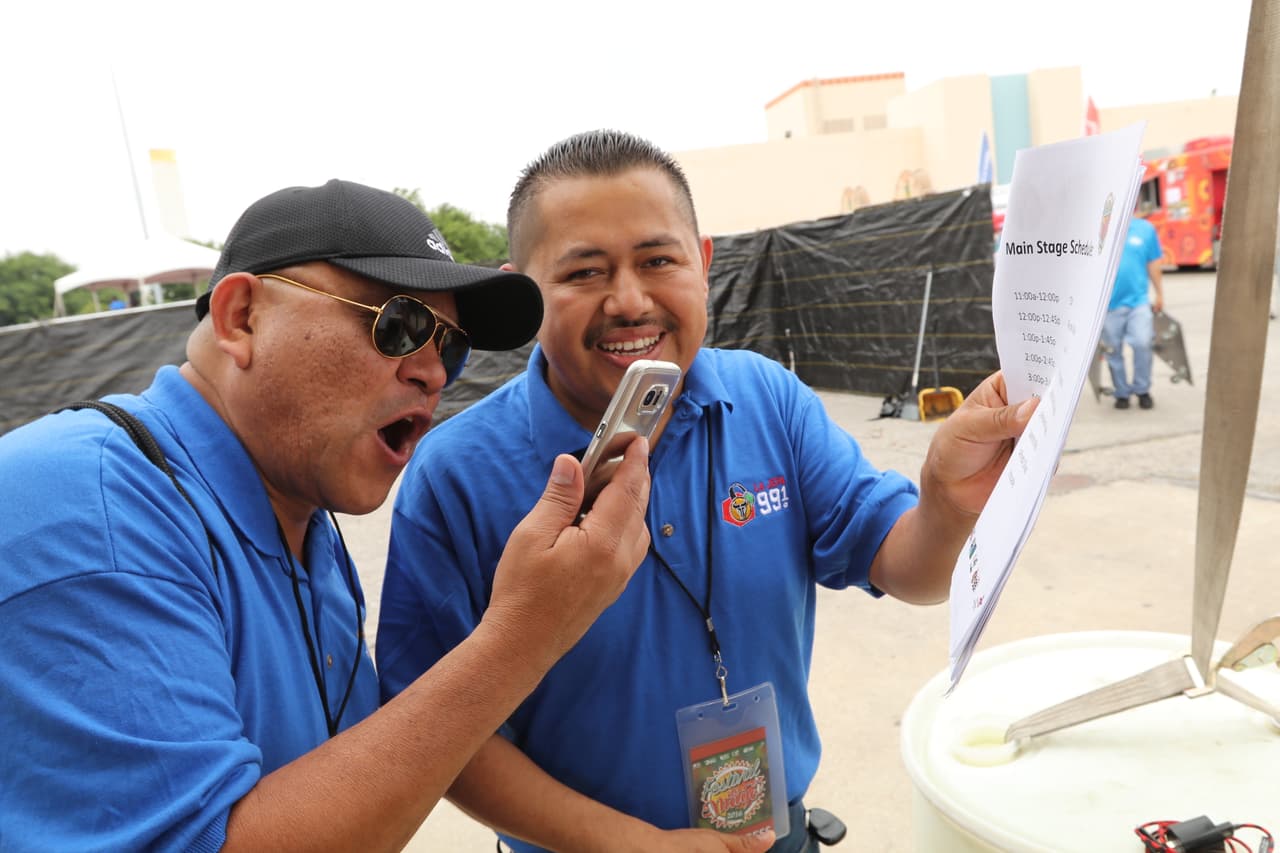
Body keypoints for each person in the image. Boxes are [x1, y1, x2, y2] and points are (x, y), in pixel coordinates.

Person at [376, 131, 1036, 853]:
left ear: (705, 262)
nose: (629, 301)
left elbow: (910, 567)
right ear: (527, 292)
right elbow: (438, 734)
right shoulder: (454, 477)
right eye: (585, 272)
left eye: (658, 260)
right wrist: (625, 844)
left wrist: (944, 498)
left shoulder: (770, 403)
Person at [0, 179, 656, 851]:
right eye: (400, 325)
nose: (432, 371)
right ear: (241, 318)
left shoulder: (304, 517)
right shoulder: (91, 507)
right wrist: (526, 632)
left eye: (451, 346)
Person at [1103, 206, 1165, 409]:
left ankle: (1142, 389)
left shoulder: (1145, 229)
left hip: (1138, 302)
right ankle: (1121, 392)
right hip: (1109, 305)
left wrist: (1159, 293)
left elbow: (1154, 263)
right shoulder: (1102, 229)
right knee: (1113, 351)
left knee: (1142, 342)